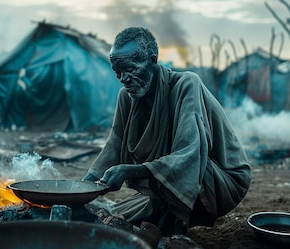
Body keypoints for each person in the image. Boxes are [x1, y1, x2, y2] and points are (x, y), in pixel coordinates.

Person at [82, 27, 251, 235]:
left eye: (131, 69)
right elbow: (113, 146)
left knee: (189, 167)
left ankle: (174, 224)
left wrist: (130, 170)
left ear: (153, 61)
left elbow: (191, 154)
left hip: (217, 179)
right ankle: (161, 216)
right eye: (117, 72)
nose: (124, 78)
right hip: (168, 179)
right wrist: (80, 190)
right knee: (108, 217)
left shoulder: (186, 85)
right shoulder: (126, 97)